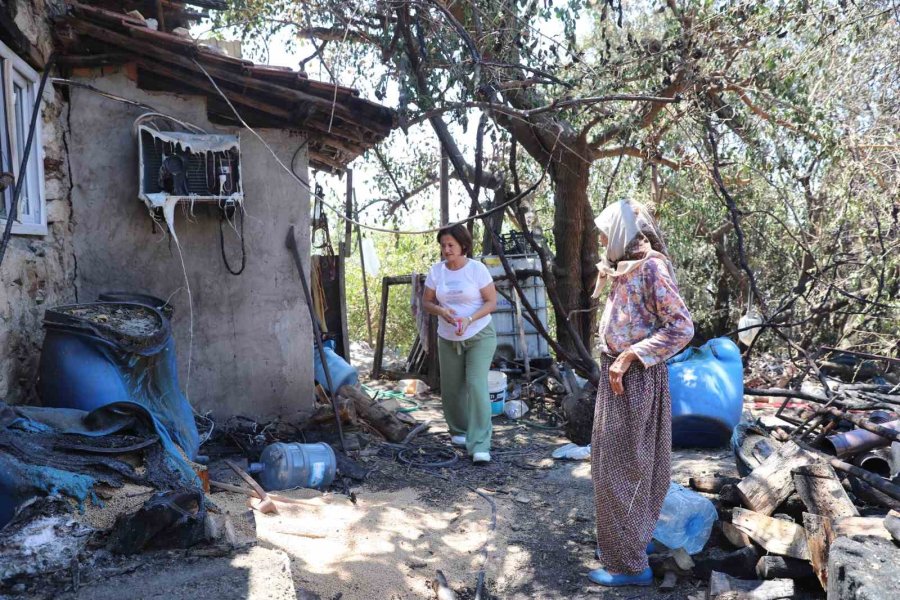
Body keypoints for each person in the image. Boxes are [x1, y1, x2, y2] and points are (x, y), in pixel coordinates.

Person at [588, 199, 694, 587]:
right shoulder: (625, 265)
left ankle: (630, 566)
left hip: (634, 379)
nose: (600, 238)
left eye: (605, 232)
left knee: (625, 470)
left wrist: (631, 355)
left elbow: (681, 327)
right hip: (617, 375)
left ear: (621, 233)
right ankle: (631, 542)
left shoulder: (651, 267)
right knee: (614, 466)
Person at [422, 224, 498, 464]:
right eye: (443, 245)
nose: (446, 249)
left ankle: (480, 445)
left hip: (479, 334)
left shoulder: (477, 270)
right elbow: (426, 302)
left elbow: (491, 302)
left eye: (451, 245)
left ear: (463, 246)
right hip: (447, 336)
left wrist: (469, 319)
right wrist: (441, 311)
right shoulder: (437, 272)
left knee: (476, 385)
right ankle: (459, 431)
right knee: (452, 388)